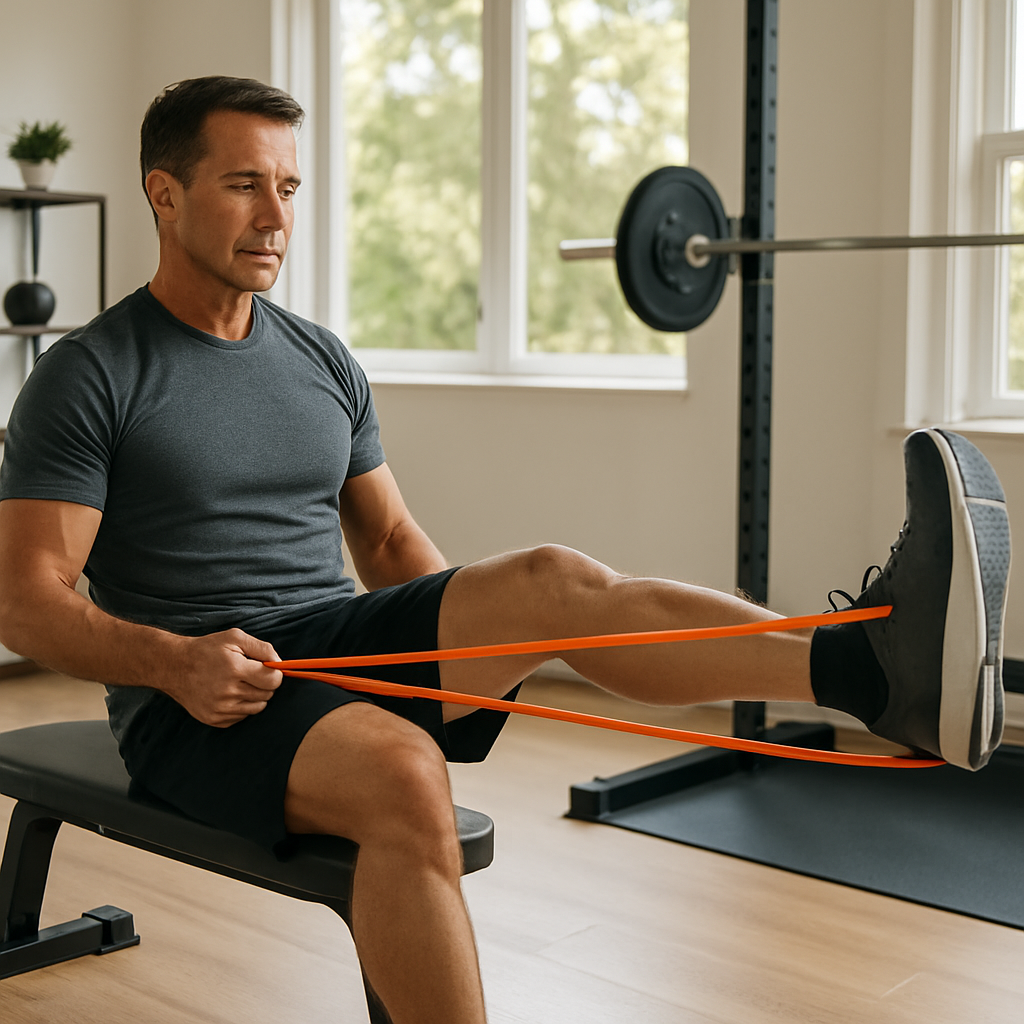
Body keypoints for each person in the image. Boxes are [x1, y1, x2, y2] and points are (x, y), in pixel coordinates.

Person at [0, 76, 1010, 1024]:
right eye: (244, 185)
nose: (276, 215)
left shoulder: (318, 358)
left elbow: (390, 539)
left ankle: (866, 672)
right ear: (164, 195)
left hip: (333, 636)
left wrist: (472, 637)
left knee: (546, 580)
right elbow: (28, 600)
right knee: (403, 774)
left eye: (289, 186)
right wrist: (175, 661)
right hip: (198, 697)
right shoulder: (92, 374)